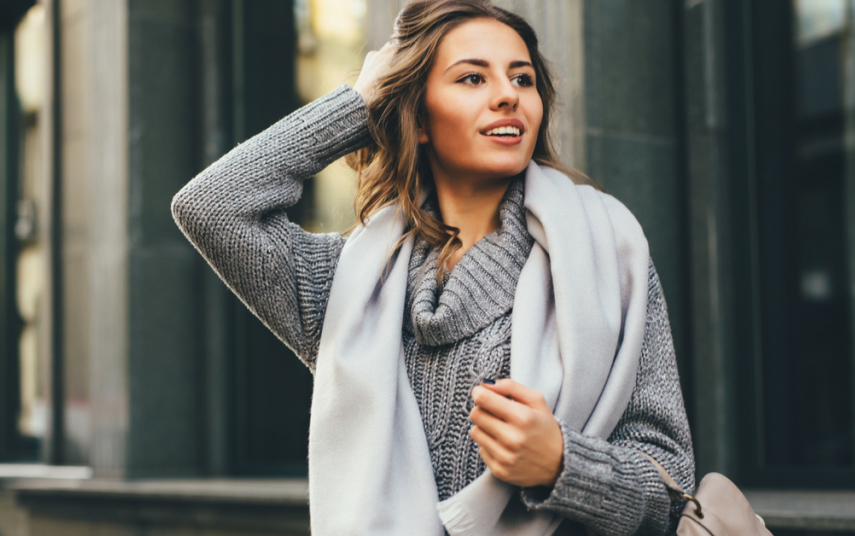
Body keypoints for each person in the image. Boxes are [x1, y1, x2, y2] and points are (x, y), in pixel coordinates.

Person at [172, 1, 694, 534]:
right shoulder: (348, 286)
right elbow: (212, 206)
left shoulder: (606, 253)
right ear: (418, 118)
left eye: (523, 78)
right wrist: (360, 102)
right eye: (472, 77)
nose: (508, 94)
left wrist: (564, 463)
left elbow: (672, 486)